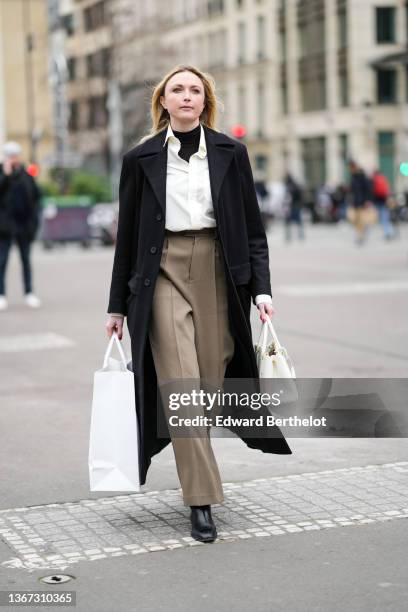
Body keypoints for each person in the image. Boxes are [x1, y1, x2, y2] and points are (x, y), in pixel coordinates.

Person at [105, 65, 292, 543]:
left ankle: (190, 454)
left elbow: (253, 231)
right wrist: (116, 308)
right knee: (181, 383)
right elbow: (126, 237)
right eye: (177, 90)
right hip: (161, 270)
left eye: (194, 90)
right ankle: (201, 500)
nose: (186, 96)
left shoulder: (232, 153)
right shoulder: (140, 158)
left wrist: (263, 292)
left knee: (208, 383)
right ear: (163, 102)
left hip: (218, 269)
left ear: (204, 100)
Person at [0, 141, 42, 311]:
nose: (13, 159)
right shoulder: (2, 174)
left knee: (26, 260)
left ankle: (29, 293)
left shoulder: (26, 174)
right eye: (10, 156)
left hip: (23, 226)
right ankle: (1, 295)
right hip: (4, 226)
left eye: (15, 156)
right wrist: (6, 175)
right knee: (2, 261)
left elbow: (36, 197)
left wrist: (33, 223)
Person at [348, 160, 373, 245]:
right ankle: (361, 235)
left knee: (360, 220)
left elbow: (368, 189)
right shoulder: (354, 176)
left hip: (362, 202)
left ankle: (361, 236)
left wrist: (367, 200)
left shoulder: (361, 176)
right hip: (356, 202)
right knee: (356, 220)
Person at [372, 169, 394, 240]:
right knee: (385, 217)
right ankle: (389, 231)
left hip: (377, 201)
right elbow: (388, 191)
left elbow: (372, 191)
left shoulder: (374, 180)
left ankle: (387, 232)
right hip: (384, 201)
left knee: (382, 217)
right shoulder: (384, 179)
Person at [283, 173, 304, 241]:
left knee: (290, 221)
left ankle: (289, 236)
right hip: (295, 205)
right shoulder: (295, 186)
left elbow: (288, 197)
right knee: (298, 221)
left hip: (292, 206)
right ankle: (299, 235)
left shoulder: (289, 187)